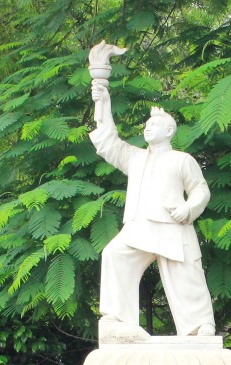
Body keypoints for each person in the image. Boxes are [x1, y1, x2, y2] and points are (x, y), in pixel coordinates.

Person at [90, 81, 216, 340]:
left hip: (171, 226)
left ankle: (200, 326)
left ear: (169, 130)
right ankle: (119, 319)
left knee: (186, 275)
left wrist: (188, 209)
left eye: (154, 124)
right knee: (114, 254)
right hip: (138, 227)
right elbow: (108, 143)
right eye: (146, 124)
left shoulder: (182, 159)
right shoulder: (134, 157)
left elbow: (201, 190)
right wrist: (102, 103)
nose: (147, 127)